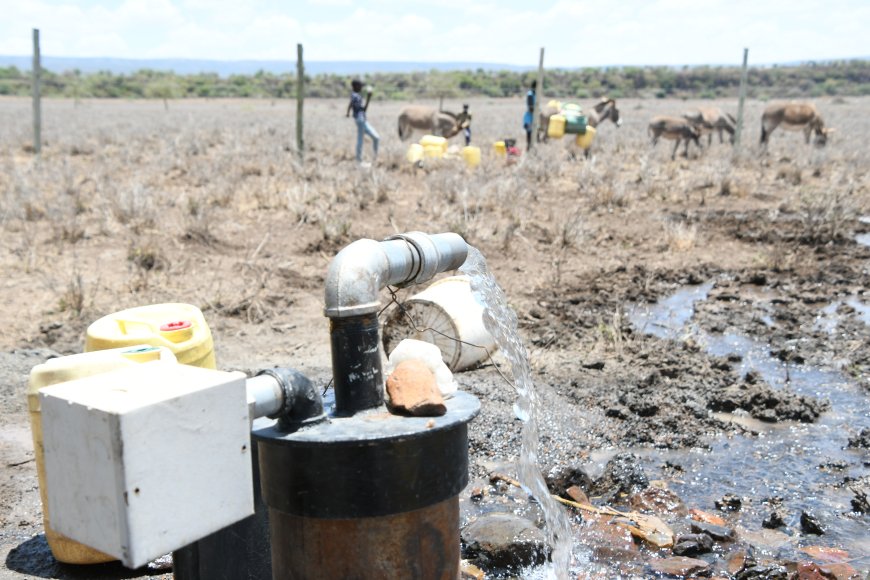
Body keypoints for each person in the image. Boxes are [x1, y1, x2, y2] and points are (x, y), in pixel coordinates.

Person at [346, 79, 379, 164]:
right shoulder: (356, 96)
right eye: (361, 86)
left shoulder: (354, 95)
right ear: (356, 86)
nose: (362, 87)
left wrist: (348, 112)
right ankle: (359, 161)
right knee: (361, 140)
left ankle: (374, 158)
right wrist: (368, 98)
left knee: (376, 137)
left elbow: (351, 104)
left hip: (362, 120)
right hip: (360, 119)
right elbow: (363, 109)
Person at [523, 80, 536, 150]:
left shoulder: (535, 94)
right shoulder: (530, 94)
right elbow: (531, 107)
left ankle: (533, 149)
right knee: (529, 135)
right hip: (529, 117)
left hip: (534, 117)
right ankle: (528, 150)